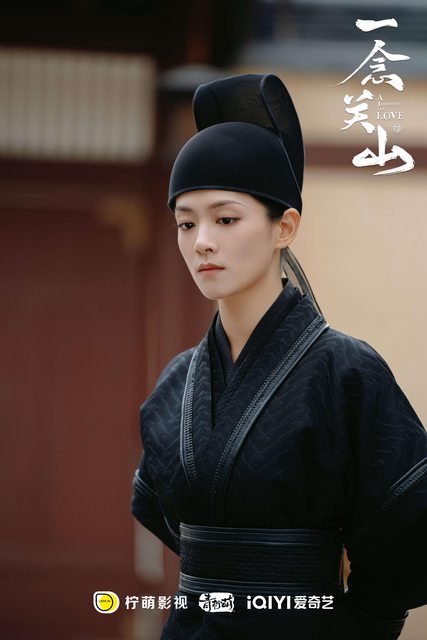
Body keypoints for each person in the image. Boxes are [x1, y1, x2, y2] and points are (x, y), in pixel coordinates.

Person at [131, 74, 427, 640]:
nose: (202, 241)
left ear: (284, 226)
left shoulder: (346, 371)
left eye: (225, 219)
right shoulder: (177, 381)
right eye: (186, 223)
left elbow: (408, 523)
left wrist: (361, 622)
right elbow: (160, 507)